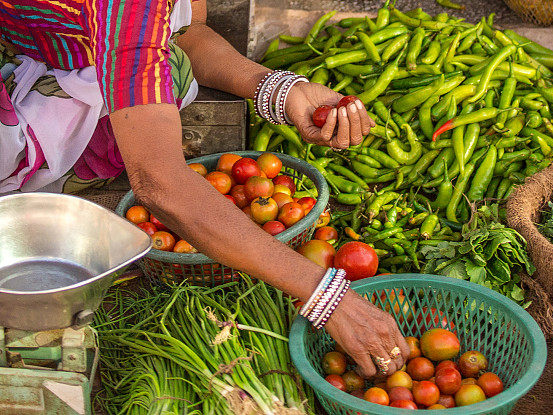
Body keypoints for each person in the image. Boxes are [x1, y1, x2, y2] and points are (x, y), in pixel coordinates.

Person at [0, 0, 408, 377]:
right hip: (20, 63)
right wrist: (324, 295)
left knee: (170, 68)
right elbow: (159, 183)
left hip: (71, 45)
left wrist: (281, 92)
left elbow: (185, 34)